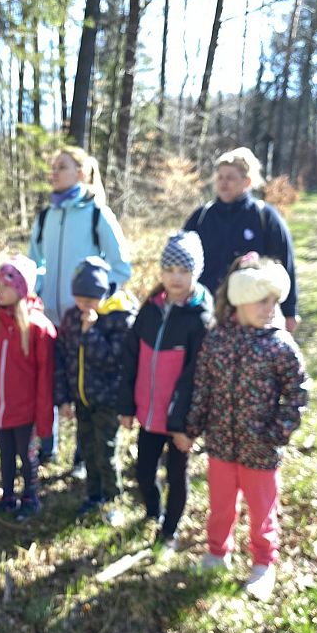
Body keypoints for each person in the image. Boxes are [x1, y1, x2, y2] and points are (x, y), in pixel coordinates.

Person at [185, 253, 308, 601]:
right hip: (221, 445)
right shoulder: (217, 340)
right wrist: (192, 427)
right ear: (240, 299)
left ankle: (263, 563)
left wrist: (277, 433)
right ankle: (217, 553)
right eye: (261, 300)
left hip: (261, 449)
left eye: (274, 301)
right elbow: (203, 387)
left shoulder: (279, 345)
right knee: (221, 504)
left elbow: (298, 393)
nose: (270, 308)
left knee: (261, 509)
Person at [29, 146, 131, 468]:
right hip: (47, 319)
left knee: (84, 386)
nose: (54, 172)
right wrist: (38, 292)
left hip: (84, 321)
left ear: (82, 173)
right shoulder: (45, 216)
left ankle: (81, 457)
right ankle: (47, 447)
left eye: (62, 166)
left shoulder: (97, 214)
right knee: (50, 381)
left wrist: (97, 302)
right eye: (53, 166)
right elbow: (34, 264)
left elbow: (121, 267)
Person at [118, 232, 213, 555]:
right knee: (144, 472)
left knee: (176, 476)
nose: (176, 278)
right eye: (170, 269)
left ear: (195, 272)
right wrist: (126, 405)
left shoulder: (200, 319)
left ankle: (169, 530)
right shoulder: (150, 309)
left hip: (179, 421)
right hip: (149, 413)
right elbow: (131, 357)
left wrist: (188, 426)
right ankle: (152, 511)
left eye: (184, 271)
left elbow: (198, 379)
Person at [0, 255, 55, 521]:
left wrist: (43, 419)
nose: (0, 290)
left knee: (26, 455)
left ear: (21, 288)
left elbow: (45, 378)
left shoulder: (37, 328)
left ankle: (31, 496)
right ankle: (7, 495)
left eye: (6, 285)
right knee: (5, 454)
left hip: (25, 410)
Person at [54, 257, 135, 524]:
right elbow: (63, 357)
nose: (83, 306)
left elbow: (114, 360)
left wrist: (90, 333)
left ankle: (113, 498)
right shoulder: (71, 318)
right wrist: (63, 398)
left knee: (106, 451)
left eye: (90, 301)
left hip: (108, 399)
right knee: (87, 449)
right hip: (82, 398)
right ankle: (93, 495)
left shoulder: (118, 318)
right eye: (79, 300)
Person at [184, 147, 299, 333]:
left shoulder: (265, 216)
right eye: (220, 177)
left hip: (252, 314)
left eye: (230, 178)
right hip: (204, 312)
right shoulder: (202, 217)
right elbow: (183, 262)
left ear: (247, 181)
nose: (223, 183)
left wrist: (290, 311)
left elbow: (286, 264)